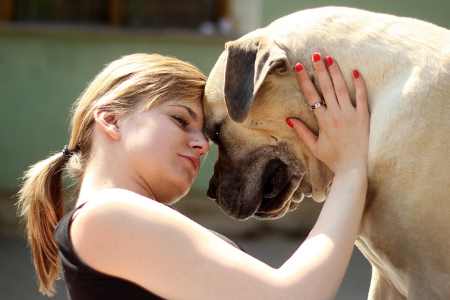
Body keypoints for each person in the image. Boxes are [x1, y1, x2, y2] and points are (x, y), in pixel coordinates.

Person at [17, 51, 369, 300]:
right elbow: (289, 296)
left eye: (208, 134)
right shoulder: (108, 214)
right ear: (110, 120)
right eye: (180, 120)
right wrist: (351, 168)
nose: (202, 144)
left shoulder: (108, 217)